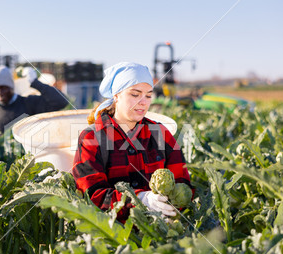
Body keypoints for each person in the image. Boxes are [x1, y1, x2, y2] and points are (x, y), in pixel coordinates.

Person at [72, 62, 193, 222]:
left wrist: (172, 204)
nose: (143, 102)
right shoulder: (92, 137)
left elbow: (182, 181)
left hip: (161, 232)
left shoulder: (161, 133)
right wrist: (140, 200)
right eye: (135, 94)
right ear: (116, 96)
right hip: (113, 236)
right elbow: (91, 195)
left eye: (148, 95)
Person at [0, 66, 69, 136]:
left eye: (3, 88)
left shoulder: (28, 103)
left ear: (11, 86)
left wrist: (35, 82)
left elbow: (61, 101)